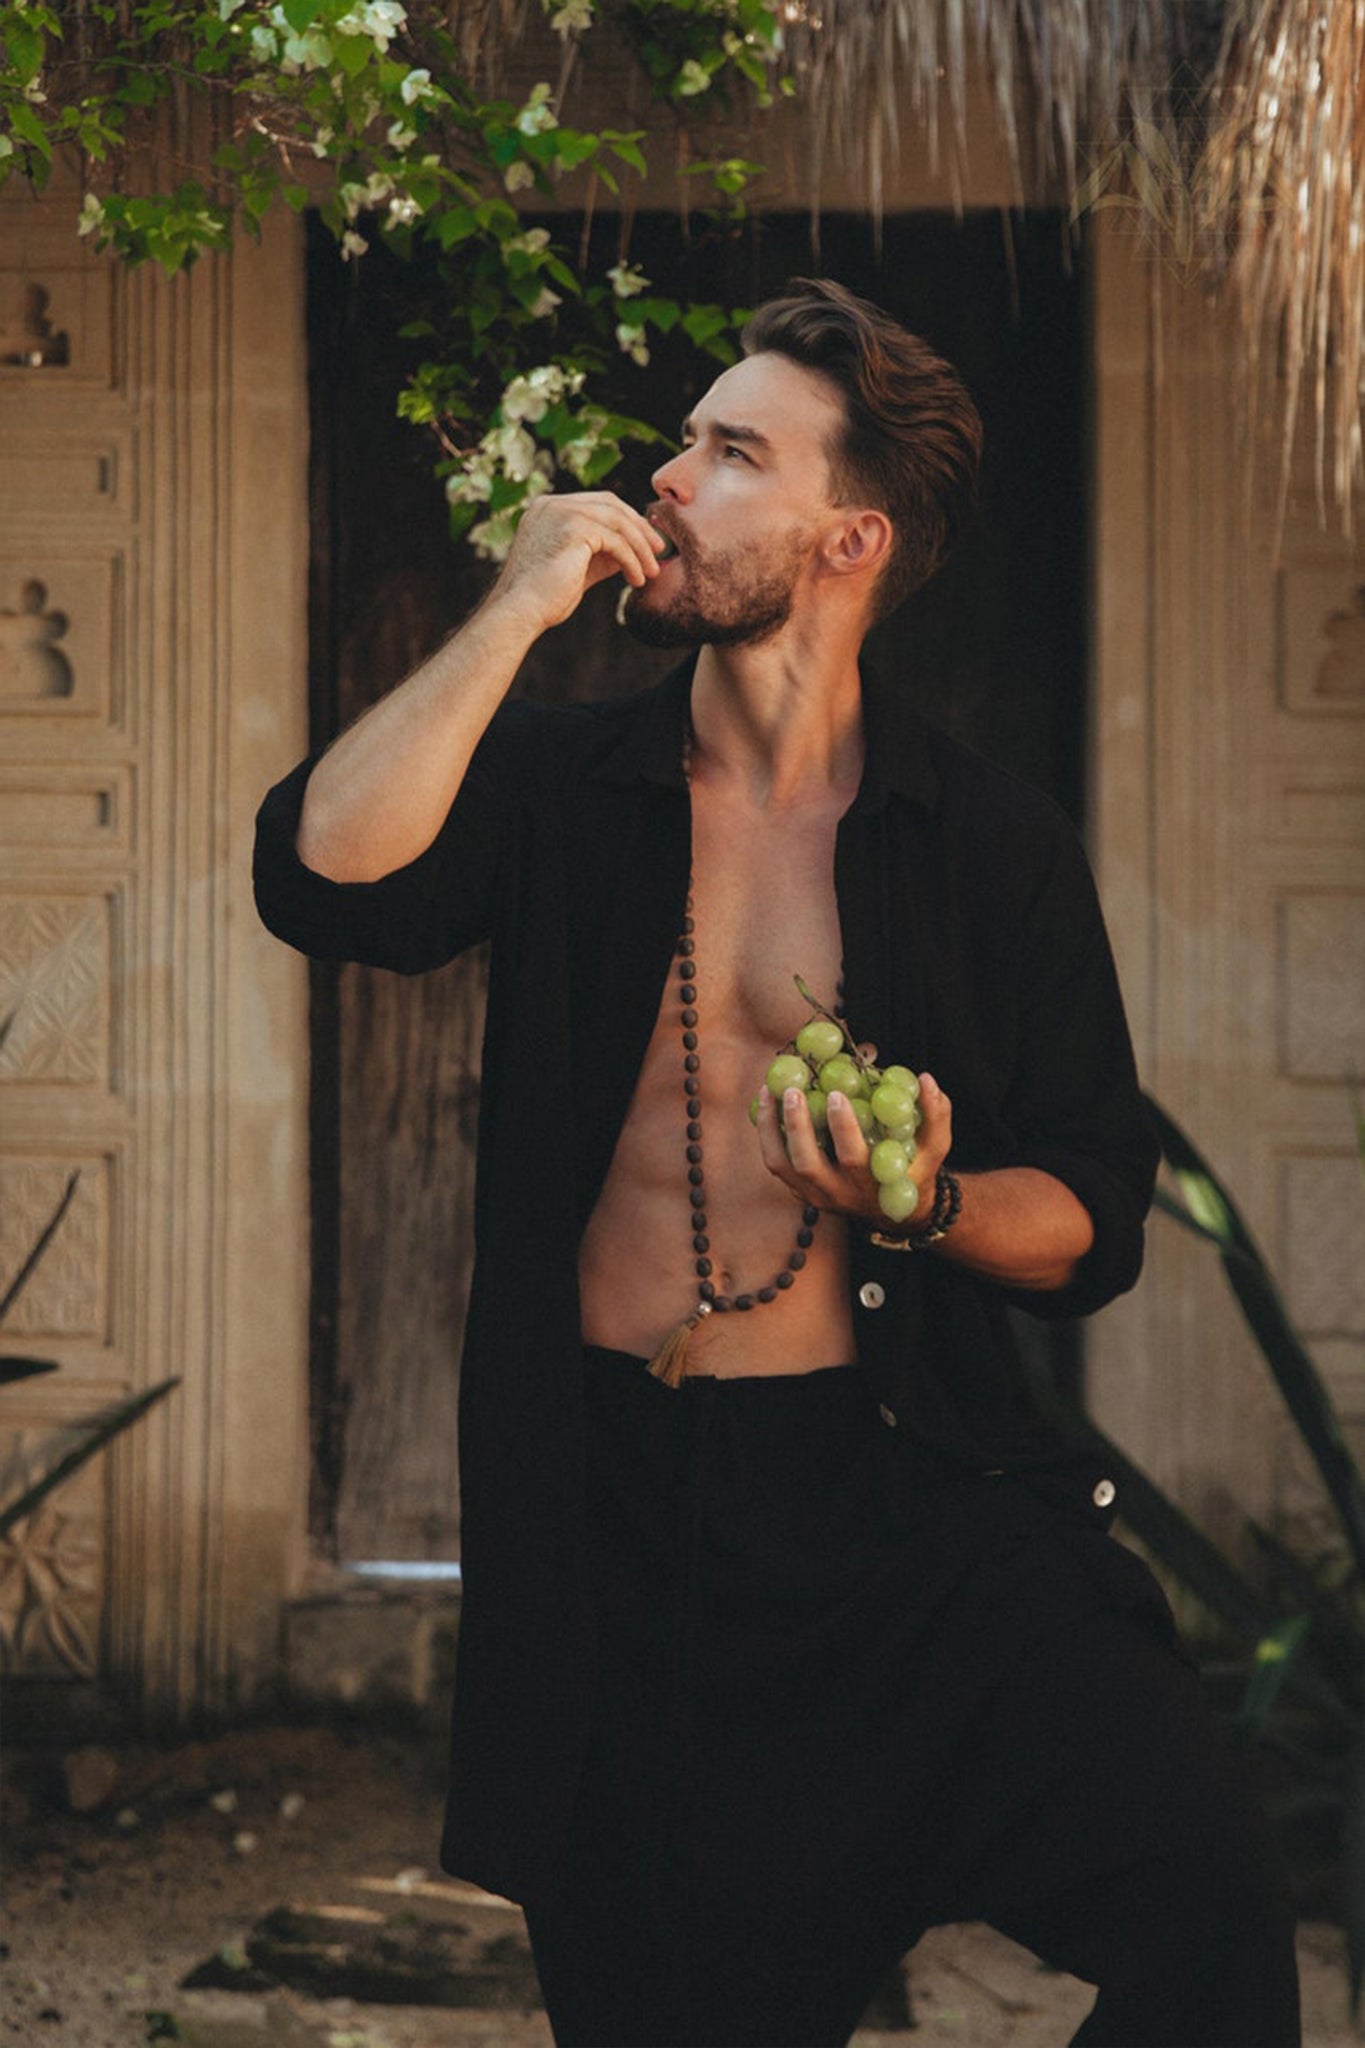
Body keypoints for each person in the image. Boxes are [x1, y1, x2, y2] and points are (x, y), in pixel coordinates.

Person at [254, 278, 1301, 2046]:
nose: (667, 477)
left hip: (903, 1502)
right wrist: (510, 612)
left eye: (729, 452)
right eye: (681, 439)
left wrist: (928, 1205)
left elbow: (1091, 1212)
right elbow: (324, 879)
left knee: (1206, 1898)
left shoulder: (985, 845)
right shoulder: (561, 781)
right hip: (622, 1517)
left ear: (847, 534)